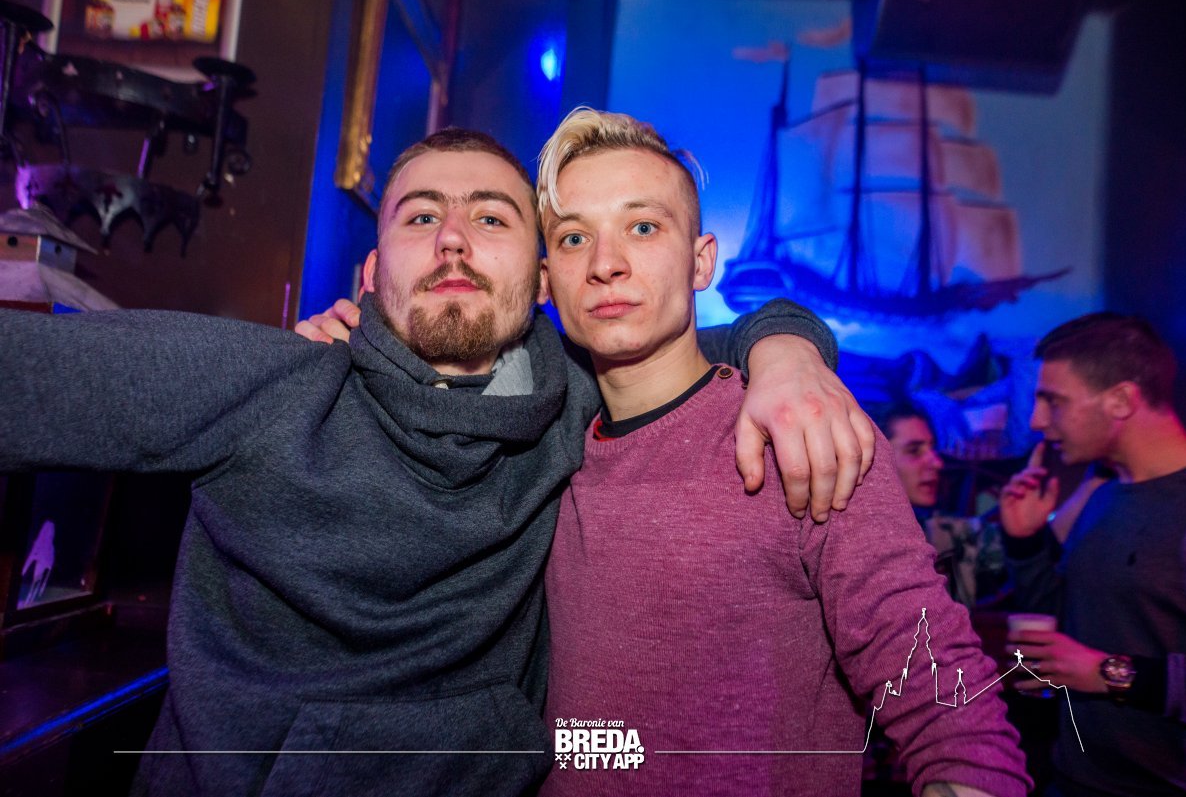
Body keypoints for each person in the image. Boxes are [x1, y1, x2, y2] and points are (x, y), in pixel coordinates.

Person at [0, 128, 874, 797]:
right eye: (422, 217)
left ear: (541, 281)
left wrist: (789, 355)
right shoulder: (270, 385)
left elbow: (708, 333)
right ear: (372, 270)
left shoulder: (580, 399)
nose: (454, 240)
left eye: (491, 218)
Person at [534, 107, 1030, 797]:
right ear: (546, 279)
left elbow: (948, 709)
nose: (605, 264)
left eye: (643, 227)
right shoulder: (542, 453)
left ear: (702, 261)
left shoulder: (799, 433)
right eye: (574, 237)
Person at [998, 312, 1186, 796]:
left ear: (1121, 400)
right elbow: (1070, 626)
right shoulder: (1105, 493)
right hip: (1074, 778)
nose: (1036, 421)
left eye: (1053, 401)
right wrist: (1026, 543)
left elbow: (1091, 663)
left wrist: (1109, 673)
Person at [878, 402, 1006, 608]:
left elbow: (1020, 546)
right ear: (875, 461)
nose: (936, 463)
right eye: (914, 451)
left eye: (932, 449)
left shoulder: (944, 533)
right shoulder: (849, 550)